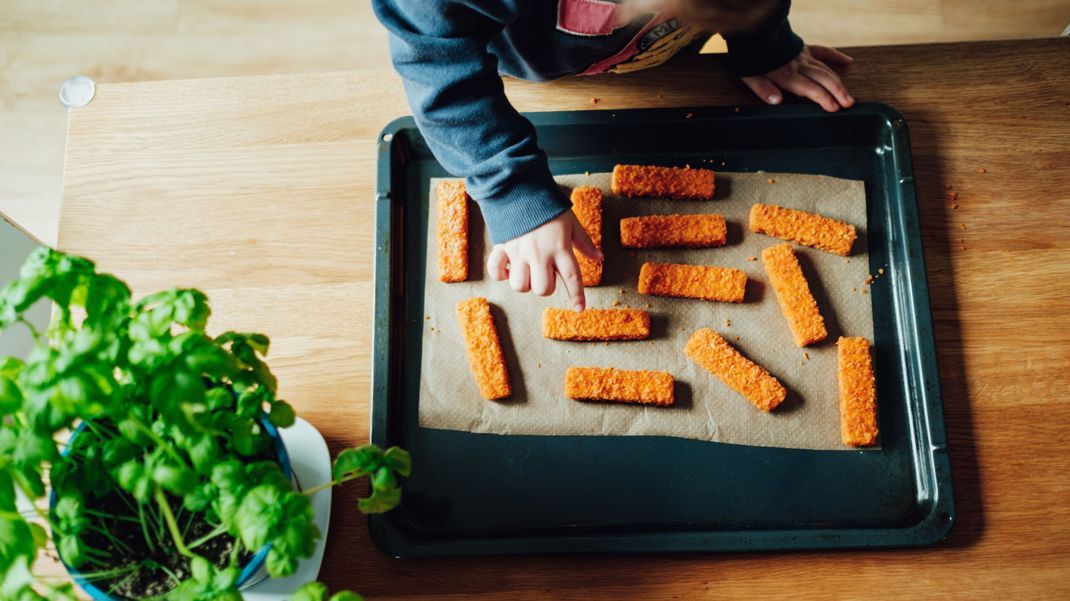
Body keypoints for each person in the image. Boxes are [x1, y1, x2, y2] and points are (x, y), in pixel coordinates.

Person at [373, 0, 855, 311]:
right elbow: (436, 62)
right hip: (526, 67)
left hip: (660, 67)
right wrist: (512, 192)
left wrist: (764, 46)